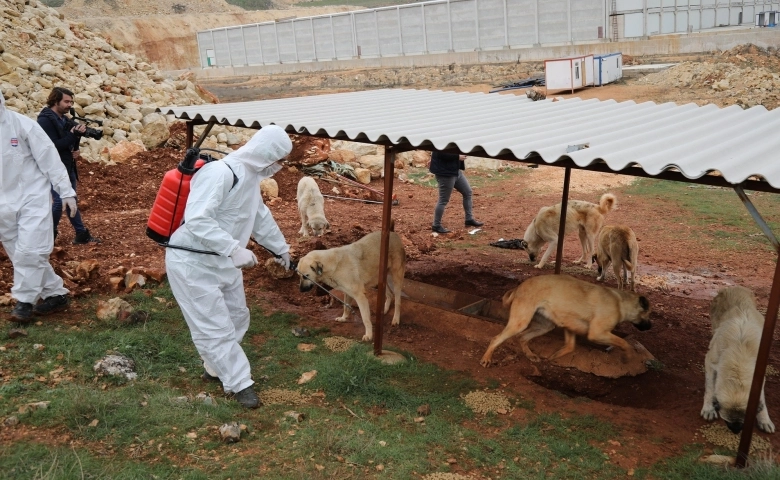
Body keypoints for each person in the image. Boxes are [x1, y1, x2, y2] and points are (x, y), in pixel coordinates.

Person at [165, 126, 294, 409]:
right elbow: (198, 219)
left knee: (237, 316)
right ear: (267, 154)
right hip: (192, 263)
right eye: (280, 159)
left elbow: (259, 218)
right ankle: (240, 384)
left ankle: (216, 365)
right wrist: (233, 249)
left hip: (223, 263)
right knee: (214, 327)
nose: (280, 167)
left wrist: (281, 249)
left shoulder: (249, 179)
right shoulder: (220, 173)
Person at [0, 89, 78, 322]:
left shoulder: (21, 125)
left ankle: (24, 303)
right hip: (3, 204)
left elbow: (49, 158)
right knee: (19, 253)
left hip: (31, 196)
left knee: (30, 250)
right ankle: (55, 294)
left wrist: (66, 191)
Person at [37, 87, 101, 245]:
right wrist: (73, 135)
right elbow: (53, 146)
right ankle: (47, 234)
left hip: (67, 165)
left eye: (71, 102)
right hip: (54, 167)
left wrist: (76, 147)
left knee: (71, 199)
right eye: (66, 101)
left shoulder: (64, 119)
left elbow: (70, 140)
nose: (69, 105)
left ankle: (81, 234)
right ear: (55, 100)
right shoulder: (45, 120)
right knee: (59, 201)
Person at [429, 151, 484, 233]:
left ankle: (469, 219)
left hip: (455, 171)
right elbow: (441, 153)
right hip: (445, 173)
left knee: (467, 192)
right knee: (443, 200)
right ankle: (436, 225)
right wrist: (457, 157)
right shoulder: (441, 140)